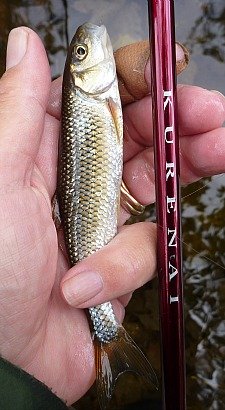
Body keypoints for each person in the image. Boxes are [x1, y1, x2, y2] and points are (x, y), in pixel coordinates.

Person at [0, 26, 224, 409]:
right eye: (84, 53)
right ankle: (108, 337)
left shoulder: (90, 100)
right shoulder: (85, 101)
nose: (95, 40)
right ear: (78, 74)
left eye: (81, 51)